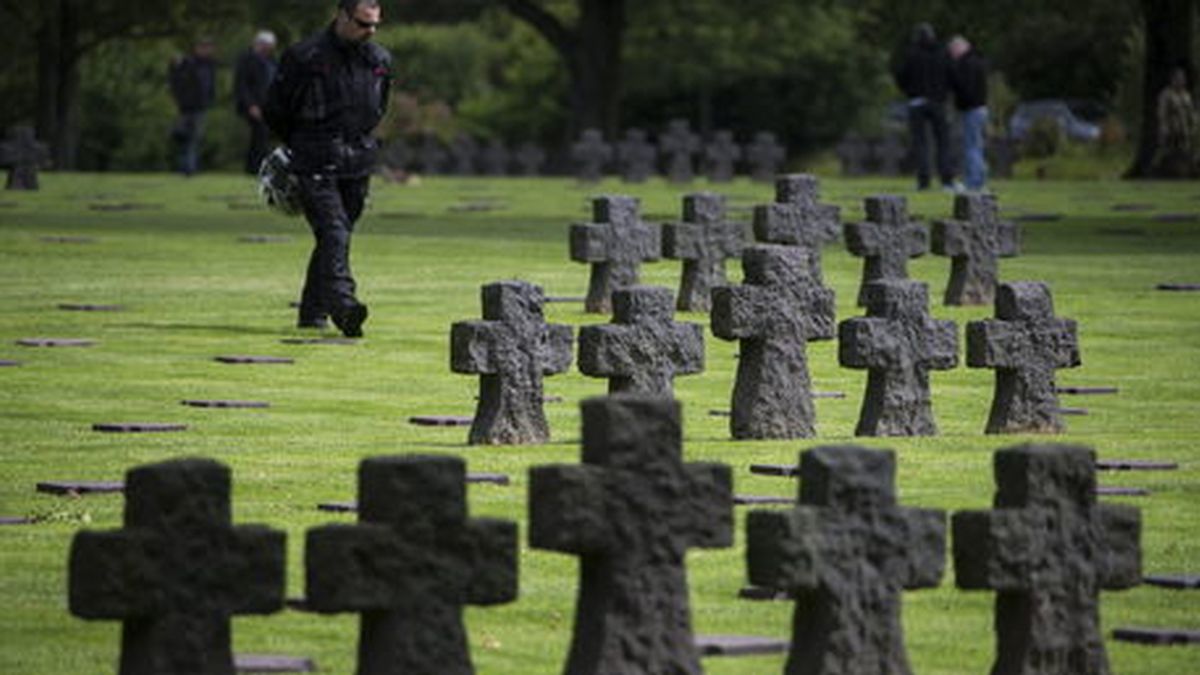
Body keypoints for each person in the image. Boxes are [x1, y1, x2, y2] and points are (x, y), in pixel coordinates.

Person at [264, 0, 391, 337]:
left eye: (375, 24)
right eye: (364, 24)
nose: (371, 31)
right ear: (342, 16)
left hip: (358, 161)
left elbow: (378, 108)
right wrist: (303, 145)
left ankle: (312, 312)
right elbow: (276, 109)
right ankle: (344, 306)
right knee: (335, 232)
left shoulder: (378, 59)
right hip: (314, 160)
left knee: (334, 237)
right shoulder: (304, 57)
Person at [894, 23, 956, 191]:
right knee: (943, 142)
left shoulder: (911, 54)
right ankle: (947, 181)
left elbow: (901, 76)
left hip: (917, 102)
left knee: (920, 143)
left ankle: (924, 181)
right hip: (938, 102)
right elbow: (952, 75)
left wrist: (910, 91)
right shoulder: (942, 53)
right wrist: (944, 92)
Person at [168, 38, 218, 176]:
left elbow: (210, 85)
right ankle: (188, 168)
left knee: (193, 138)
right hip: (187, 106)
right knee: (187, 137)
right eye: (204, 47)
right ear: (197, 48)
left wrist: (210, 99)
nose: (207, 50)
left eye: (209, 47)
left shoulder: (210, 64)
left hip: (201, 106)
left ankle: (188, 167)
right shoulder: (187, 62)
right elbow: (175, 79)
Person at [234, 31, 279, 175]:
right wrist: (250, 105)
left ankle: (255, 168)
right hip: (254, 106)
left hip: (268, 106)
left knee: (260, 137)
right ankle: (256, 168)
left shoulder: (272, 61)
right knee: (259, 136)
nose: (268, 48)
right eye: (265, 45)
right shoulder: (247, 59)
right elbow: (242, 85)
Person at [949, 35, 989, 191]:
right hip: (980, 108)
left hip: (971, 109)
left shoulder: (966, 64)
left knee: (971, 147)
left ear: (959, 48)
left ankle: (973, 182)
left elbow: (965, 88)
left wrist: (960, 101)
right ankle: (979, 180)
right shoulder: (978, 61)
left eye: (953, 50)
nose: (952, 54)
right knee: (977, 146)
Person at [1152, 67, 1199, 178]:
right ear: (1172, 79)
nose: (1181, 81)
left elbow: (1190, 112)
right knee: (1165, 153)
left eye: (1182, 79)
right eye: (1178, 78)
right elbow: (1161, 113)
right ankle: (1155, 172)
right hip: (1171, 129)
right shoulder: (1166, 94)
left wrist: (1194, 124)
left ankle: (1186, 173)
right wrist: (1164, 128)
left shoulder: (1186, 95)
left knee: (1185, 153)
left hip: (1184, 130)